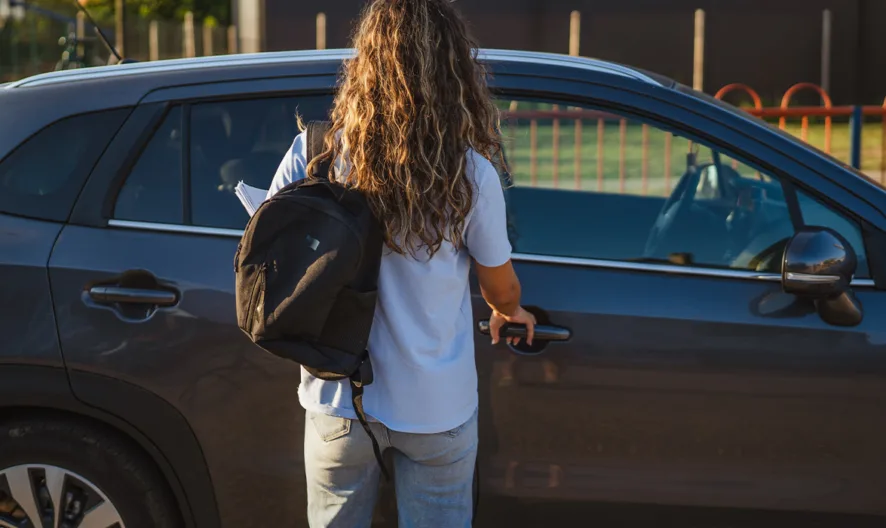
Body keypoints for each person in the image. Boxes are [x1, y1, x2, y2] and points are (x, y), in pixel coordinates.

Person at [266, 0, 536, 526]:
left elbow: (270, 247)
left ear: (364, 65)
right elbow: (500, 288)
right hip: (436, 407)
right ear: (454, 72)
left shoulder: (314, 152)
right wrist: (511, 312)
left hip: (339, 397)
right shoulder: (470, 174)